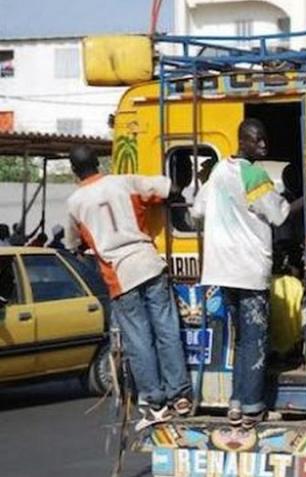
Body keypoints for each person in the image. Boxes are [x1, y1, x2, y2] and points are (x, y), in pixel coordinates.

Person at [64, 145, 192, 431]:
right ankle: (180, 395)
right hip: (149, 263)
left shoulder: (75, 203)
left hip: (120, 276)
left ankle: (156, 404)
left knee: (139, 342)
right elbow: (169, 188)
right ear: (99, 162)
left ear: (74, 171)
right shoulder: (123, 182)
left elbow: (74, 244)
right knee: (167, 331)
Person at [191, 119, 291, 429]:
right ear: (242, 141)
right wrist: (299, 202)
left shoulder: (219, 171)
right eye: (257, 140)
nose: (263, 145)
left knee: (239, 339)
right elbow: (278, 214)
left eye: (264, 139)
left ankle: (235, 404)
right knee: (254, 341)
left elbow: (197, 211)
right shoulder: (254, 174)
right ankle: (252, 408)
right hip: (249, 270)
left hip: (221, 270)